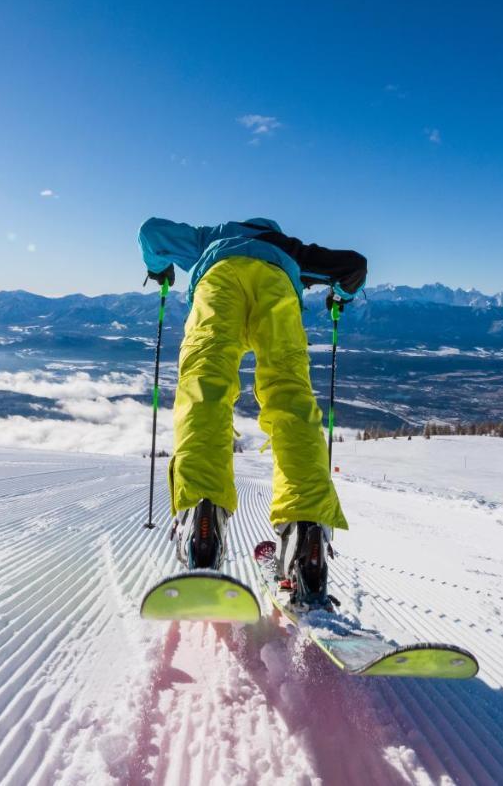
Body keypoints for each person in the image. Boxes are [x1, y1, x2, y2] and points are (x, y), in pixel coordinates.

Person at [138, 217, 367, 604]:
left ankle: (201, 516)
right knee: (289, 398)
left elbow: (151, 233)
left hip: (218, 282)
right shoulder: (289, 248)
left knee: (205, 387)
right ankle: (305, 533)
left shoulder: (210, 238)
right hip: (277, 286)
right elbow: (353, 265)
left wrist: (159, 270)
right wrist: (341, 297)